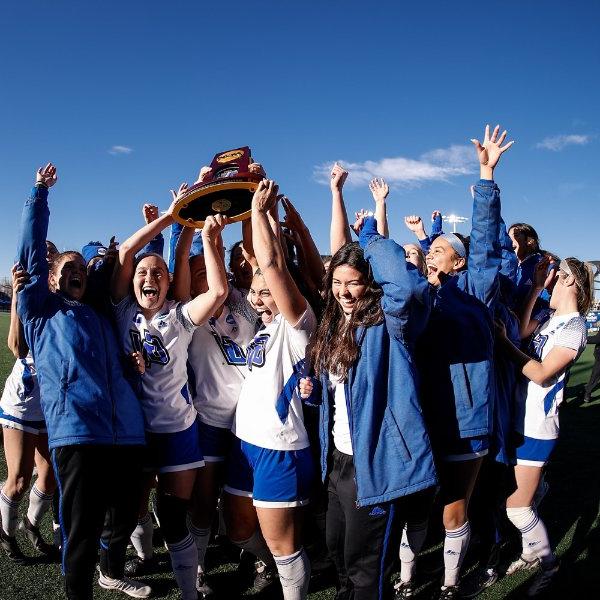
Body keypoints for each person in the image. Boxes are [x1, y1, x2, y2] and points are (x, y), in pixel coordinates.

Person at [300, 167, 438, 599]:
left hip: (372, 463)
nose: (343, 291)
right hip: (336, 460)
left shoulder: (389, 323)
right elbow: (343, 390)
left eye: (353, 283)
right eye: (337, 282)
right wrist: (316, 392)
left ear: (369, 284)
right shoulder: (334, 324)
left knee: (365, 567)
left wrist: (369, 234)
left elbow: (400, 281)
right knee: (338, 553)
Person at [16, 163, 149, 600]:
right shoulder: (41, 311)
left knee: (127, 514)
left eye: (80, 268)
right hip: (78, 432)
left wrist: (131, 364)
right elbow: (32, 254)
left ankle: (110, 570)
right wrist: (40, 194)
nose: (76, 271)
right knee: (81, 530)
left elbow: (115, 365)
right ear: (52, 279)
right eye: (66, 268)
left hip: (126, 433)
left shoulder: (101, 315)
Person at [111, 182, 229, 600]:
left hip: (178, 430)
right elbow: (127, 253)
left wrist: (209, 239)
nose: (149, 276)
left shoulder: (179, 317)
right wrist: (173, 214)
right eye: (144, 273)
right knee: (133, 509)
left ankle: (188, 592)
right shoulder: (123, 309)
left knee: (174, 516)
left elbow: (217, 292)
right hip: (132, 433)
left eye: (158, 273)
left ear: (168, 282)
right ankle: (137, 559)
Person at [416, 125, 514, 599]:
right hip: (421, 417)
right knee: (422, 504)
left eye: (441, 250)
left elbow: (487, 242)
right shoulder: (417, 297)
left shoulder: (475, 290)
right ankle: (409, 575)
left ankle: (452, 582)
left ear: (458, 263)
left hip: (466, 418)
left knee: (456, 506)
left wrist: (485, 176)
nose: (431, 253)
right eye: (429, 249)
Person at [223, 179, 316, 600]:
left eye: (267, 293)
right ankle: (282, 569)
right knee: (238, 529)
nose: (259, 300)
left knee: (283, 546)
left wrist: (260, 214)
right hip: (245, 443)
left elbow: (274, 264)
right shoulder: (264, 327)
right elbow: (264, 266)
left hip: (280, 447)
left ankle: (292, 583)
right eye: (255, 293)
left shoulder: (299, 324)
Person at [495, 255, 593, 596]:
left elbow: (540, 373)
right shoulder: (551, 316)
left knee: (517, 507)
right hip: (521, 417)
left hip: (538, 425)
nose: (550, 275)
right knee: (523, 496)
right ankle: (529, 552)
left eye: (556, 273)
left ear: (570, 281)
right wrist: (537, 288)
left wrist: (503, 344)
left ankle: (549, 565)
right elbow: (523, 331)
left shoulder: (575, 327)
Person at [171, 215, 258, 596]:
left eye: (208, 267)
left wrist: (248, 209)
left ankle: (257, 557)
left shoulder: (245, 300)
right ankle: (200, 566)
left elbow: (249, 256)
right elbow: (186, 275)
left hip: (252, 422)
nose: (205, 273)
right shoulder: (189, 315)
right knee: (203, 500)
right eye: (196, 271)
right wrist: (186, 226)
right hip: (209, 421)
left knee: (249, 502)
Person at [0, 263, 57, 563]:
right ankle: (6, 534)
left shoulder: (62, 297)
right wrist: (16, 295)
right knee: (20, 479)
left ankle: (31, 526)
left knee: (49, 477)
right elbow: (17, 348)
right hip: (23, 402)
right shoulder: (28, 296)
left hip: (52, 403)